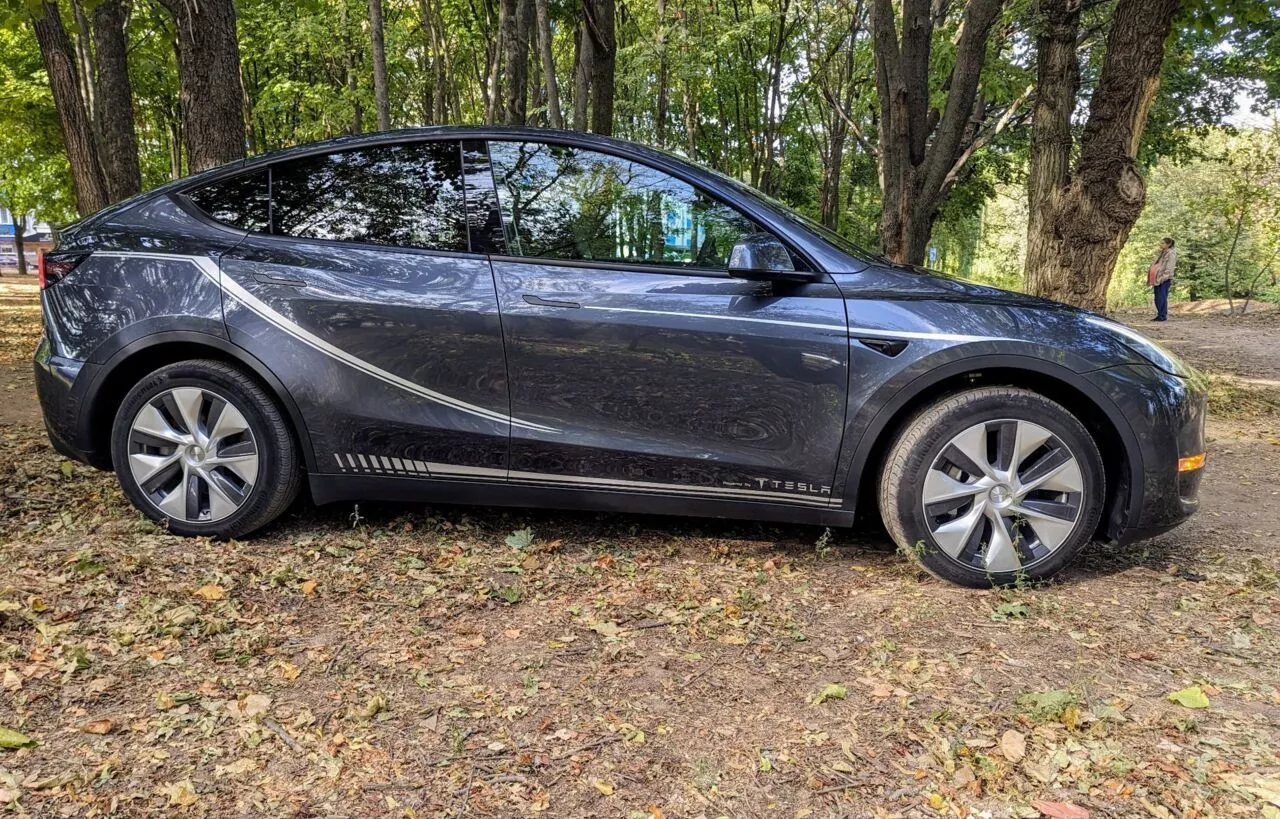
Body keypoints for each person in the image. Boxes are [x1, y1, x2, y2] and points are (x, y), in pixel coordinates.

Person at [1148, 237, 1177, 322]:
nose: (1160, 244)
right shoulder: (1162, 253)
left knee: (1162, 296)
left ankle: (1162, 315)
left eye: (1163, 243)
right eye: (1161, 243)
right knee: (1157, 297)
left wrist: (1163, 277)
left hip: (1164, 279)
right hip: (1157, 278)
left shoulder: (1171, 254)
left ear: (1168, 244)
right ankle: (1160, 314)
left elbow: (1170, 267)